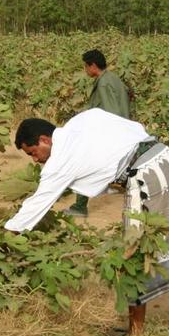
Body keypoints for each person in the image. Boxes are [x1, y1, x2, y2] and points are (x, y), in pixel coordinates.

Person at [4, 108, 169, 336]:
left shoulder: (61, 159)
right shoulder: (83, 120)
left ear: (45, 140)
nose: (35, 160)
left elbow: (37, 203)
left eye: (33, 153)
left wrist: (7, 235)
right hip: (167, 159)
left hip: (143, 174)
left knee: (131, 254)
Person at [65, 49, 131, 218]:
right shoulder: (113, 78)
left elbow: (111, 111)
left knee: (85, 165)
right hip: (124, 128)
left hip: (108, 131)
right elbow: (129, 94)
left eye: (85, 67)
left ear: (92, 66)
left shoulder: (103, 83)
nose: (85, 71)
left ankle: (80, 207)